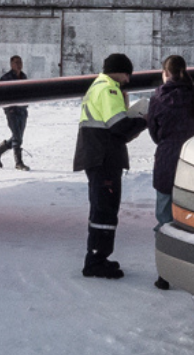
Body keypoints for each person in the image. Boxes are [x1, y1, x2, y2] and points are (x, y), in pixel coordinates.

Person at [73, 53, 147, 279]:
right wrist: (143, 119)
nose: (128, 80)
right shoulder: (109, 89)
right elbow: (119, 125)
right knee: (105, 209)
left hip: (96, 156)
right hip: (104, 158)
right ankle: (96, 261)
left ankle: (98, 256)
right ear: (121, 71)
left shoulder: (97, 86)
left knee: (100, 207)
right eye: (127, 74)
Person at [145, 55, 194, 290]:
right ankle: (192, 271)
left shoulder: (158, 97)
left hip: (166, 161)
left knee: (164, 218)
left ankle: (165, 273)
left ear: (165, 72)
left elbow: (154, 132)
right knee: (192, 218)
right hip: (193, 163)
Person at [0, 55, 30, 171]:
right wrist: (8, 108)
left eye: (20, 62)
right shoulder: (6, 78)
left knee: (18, 138)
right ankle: (19, 163)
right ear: (11, 64)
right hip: (12, 112)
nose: (19, 65)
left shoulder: (24, 77)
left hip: (22, 111)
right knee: (17, 137)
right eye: (16, 62)